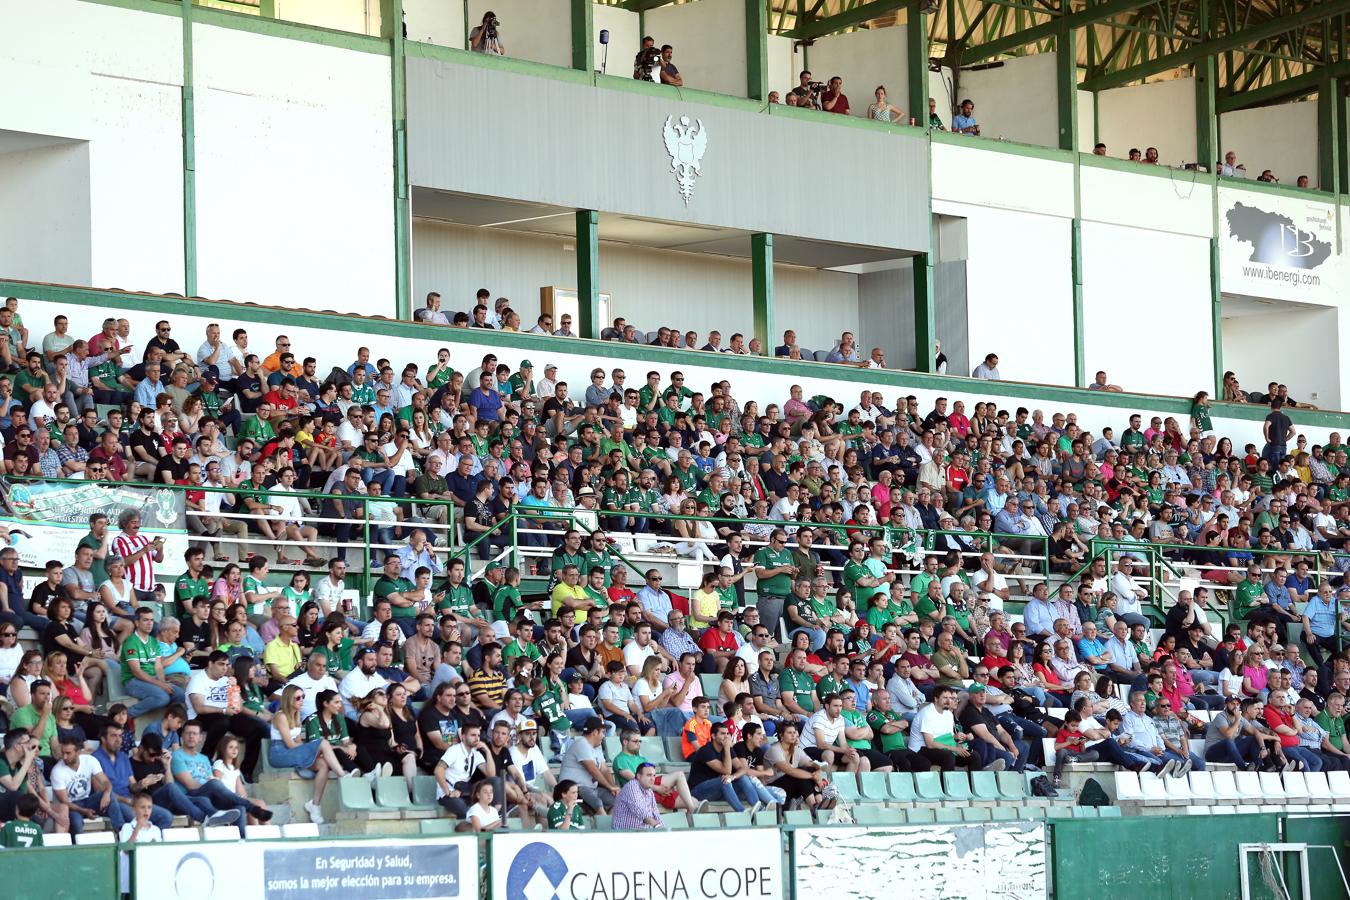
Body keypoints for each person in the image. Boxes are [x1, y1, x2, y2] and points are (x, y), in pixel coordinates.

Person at [611, 761, 666, 830]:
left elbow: (656, 814)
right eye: (649, 775)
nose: (653, 779)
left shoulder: (649, 791)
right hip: (624, 835)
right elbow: (639, 809)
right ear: (638, 776)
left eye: (654, 775)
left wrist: (664, 829)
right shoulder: (632, 786)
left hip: (640, 834)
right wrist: (656, 825)